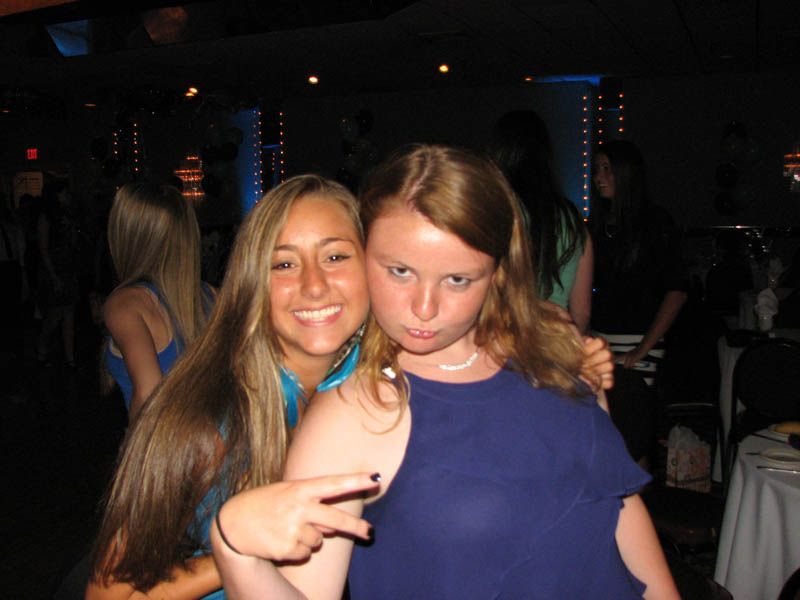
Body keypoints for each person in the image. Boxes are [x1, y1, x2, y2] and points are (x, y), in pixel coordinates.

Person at [212, 145, 678, 599]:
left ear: (497, 271)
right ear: (365, 255)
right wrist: (234, 548)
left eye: (457, 279)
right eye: (399, 271)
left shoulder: (558, 352)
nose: (424, 308)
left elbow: (616, 508)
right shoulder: (355, 416)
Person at [86, 175, 378, 600]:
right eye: (284, 264)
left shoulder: (375, 385)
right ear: (252, 283)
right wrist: (235, 546)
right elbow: (106, 595)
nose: (314, 284)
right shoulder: (208, 414)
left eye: (335, 256)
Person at [589, 140, 688, 462]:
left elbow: (677, 289)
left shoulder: (655, 223)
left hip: (640, 339)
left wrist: (645, 347)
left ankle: (638, 508)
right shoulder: (598, 226)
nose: (598, 177)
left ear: (625, 173)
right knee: (605, 430)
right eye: (597, 169)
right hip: (603, 337)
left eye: (606, 169)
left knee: (633, 428)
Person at [102, 183, 214, 418]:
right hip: (223, 446)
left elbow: (148, 395)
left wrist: (137, 454)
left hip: (167, 450)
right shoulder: (214, 296)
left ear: (127, 236)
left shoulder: (125, 304)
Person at [488, 110, 593, 333]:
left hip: (501, 341)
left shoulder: (495, 209)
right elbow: (582, 311)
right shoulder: (571, 218)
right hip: (553, 343)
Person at [36, 180, 79, 367]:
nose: (67, 196)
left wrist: (72, 228)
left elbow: (75, 243)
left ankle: (70, 357)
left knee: (69, 312)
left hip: (68, 268)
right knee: (55, 315)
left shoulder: (67, 216)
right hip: (54, 270)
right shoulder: (45, 218)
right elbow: (43, 249)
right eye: (64, 193)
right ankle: (42, 345)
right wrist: (53, 276)